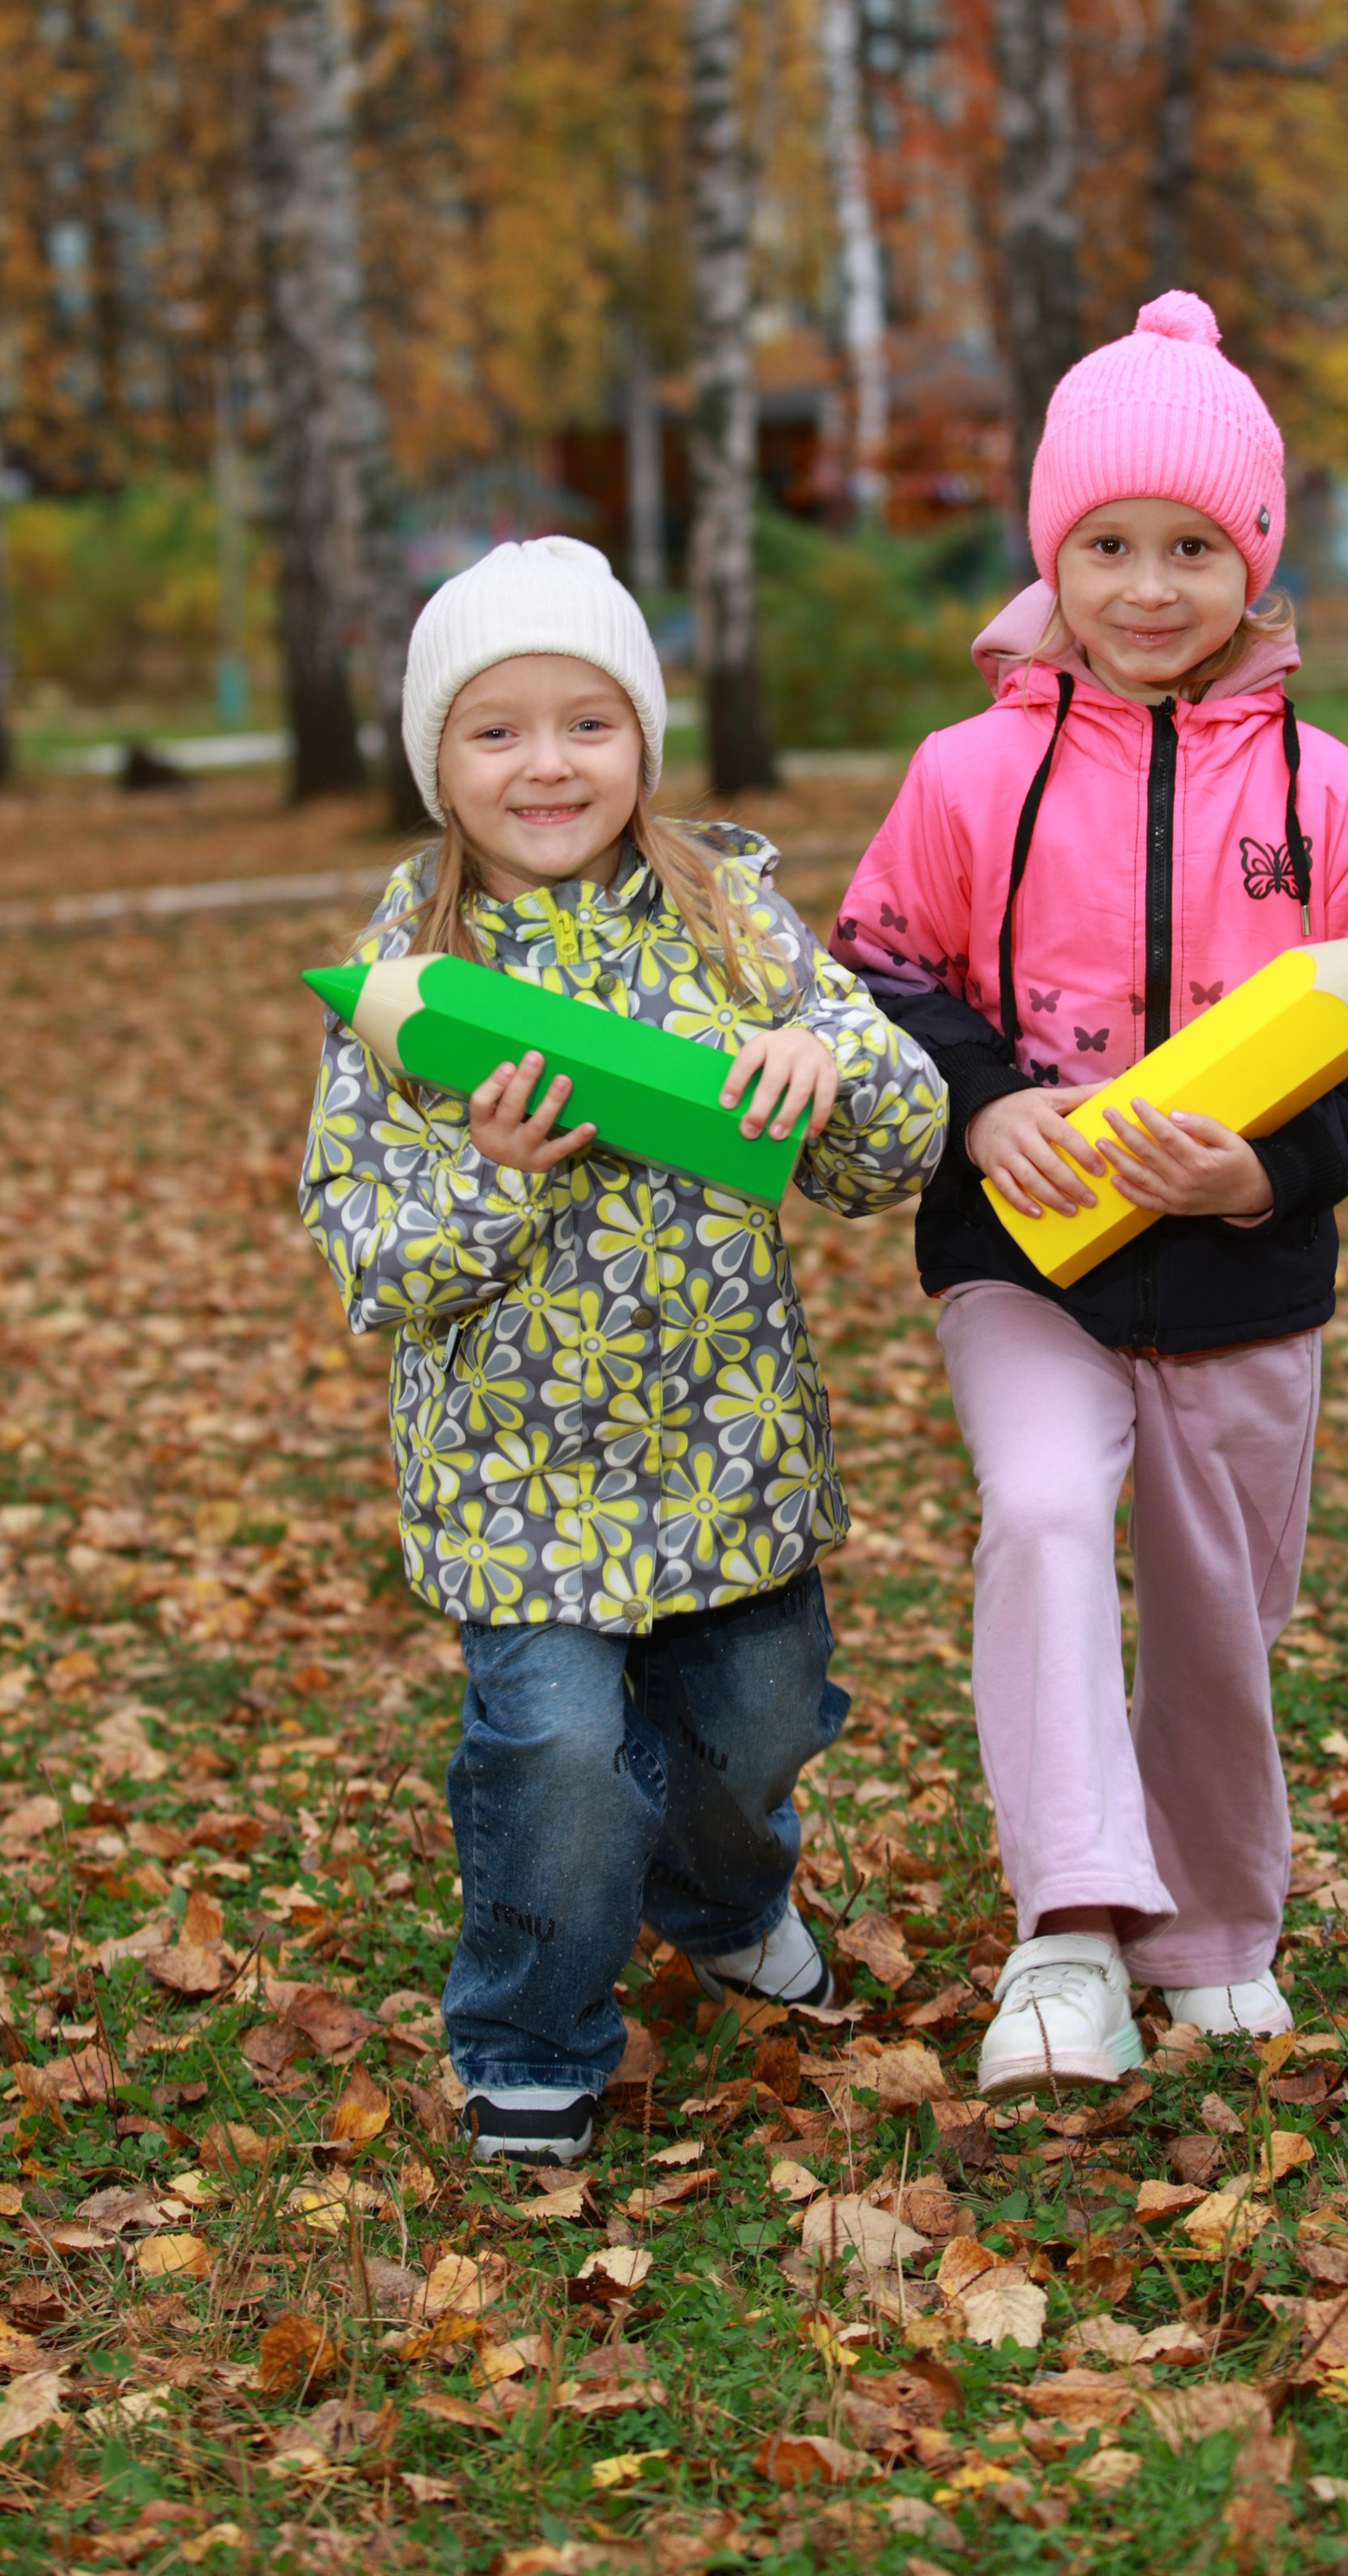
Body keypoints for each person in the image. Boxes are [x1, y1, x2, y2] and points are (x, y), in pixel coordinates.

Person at [833, 293, 1348, 2096]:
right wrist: (984, 1106)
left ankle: (1212, 1929)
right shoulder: (965, 775)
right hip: (1023, 1262)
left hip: (1247, 1280)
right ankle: (1068, 1932)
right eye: (1106, 545)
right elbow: (866, 975)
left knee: (1214, 1608)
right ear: (1054, 553)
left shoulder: (1330, 793)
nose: (1148, 586)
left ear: (1251, 560)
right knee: (1034, 1516)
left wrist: (1267, 1172)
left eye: (1191, 546)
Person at [301, 537, 945, 2163]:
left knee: (757, 1731)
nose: (545, 764)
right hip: (517, 1480)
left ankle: (725, 1905)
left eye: (587, 722)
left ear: (644, 742)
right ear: (436, 762)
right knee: (561, 1757)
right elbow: (366, 1245)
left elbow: (894, 1150)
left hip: (727, 1448)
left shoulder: (735, 917)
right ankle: (529, 2031)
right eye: (495, 729)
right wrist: (491, 1181)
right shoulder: (404, 977)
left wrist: (826, 1063)